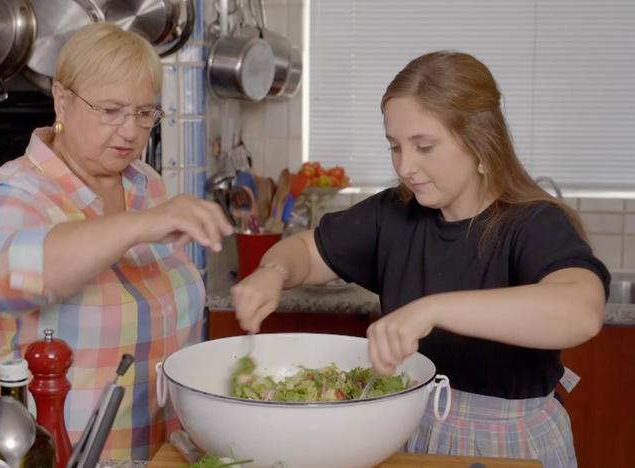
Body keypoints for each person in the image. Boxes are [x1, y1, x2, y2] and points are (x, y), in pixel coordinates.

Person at [231, 51, 609, 468]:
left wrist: (431, 309)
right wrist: (273, 271)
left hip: (509, 447)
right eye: (395, 147)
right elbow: (305, 250)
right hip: (406, 433)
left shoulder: (533, 223)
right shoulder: (393, 213)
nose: (406, 167)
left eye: (424, 147)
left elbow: (581, 310)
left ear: (480, 141)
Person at [0, 23, 232, 460]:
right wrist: (137, 225)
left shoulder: (145, 184)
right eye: (111, 110)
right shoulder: (17, 191)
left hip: (157, 451)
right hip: (46, 455)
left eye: (144, 113)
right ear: (63, 101)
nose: (130, 132)